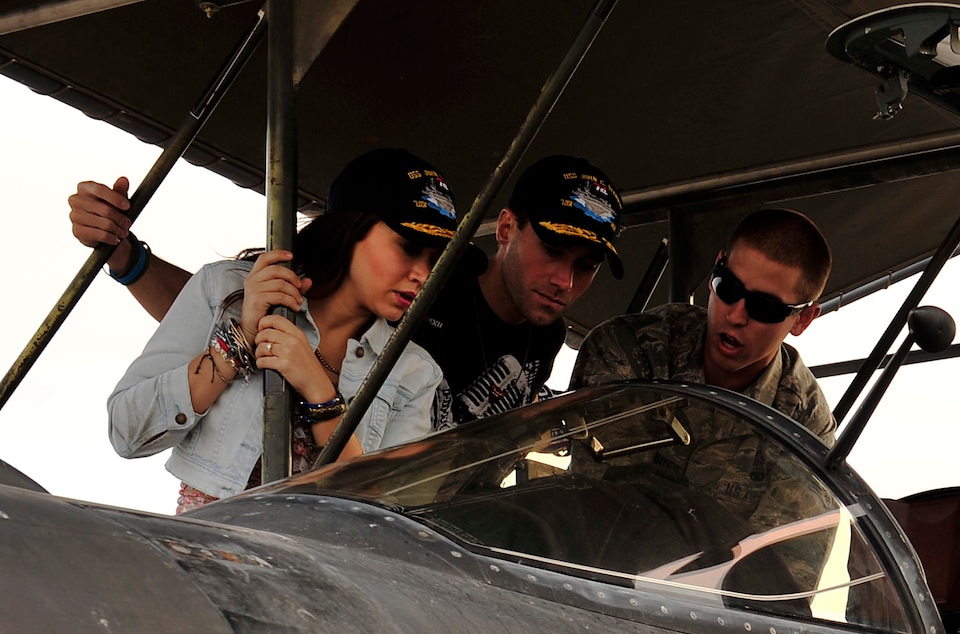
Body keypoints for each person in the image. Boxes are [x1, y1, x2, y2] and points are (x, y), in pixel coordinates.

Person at [73, 153, 624, 427]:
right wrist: (129, 260)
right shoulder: (424, 295)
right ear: (506, 230)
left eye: (588, 267)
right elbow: (236, 309)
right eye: (554, 252)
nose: (566, 282)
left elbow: (383, 494)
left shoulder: (536, 338)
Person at [107, 148, 453, 513]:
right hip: (202, 554)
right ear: (351, 229)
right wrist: (239, 340)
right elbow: (127, 433)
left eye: (435, 259)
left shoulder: (415, 372)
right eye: (409, 247)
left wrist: (321, 395)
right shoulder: (225, 290)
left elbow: (392, 519)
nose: (422, 273)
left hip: (314, 565)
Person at [571, 207, 834, 441]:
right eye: (727, 287)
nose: (735, 317)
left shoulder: (804, 420)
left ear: (802, 319)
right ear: (715, 269)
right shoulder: (626, 347)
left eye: (764, 308)